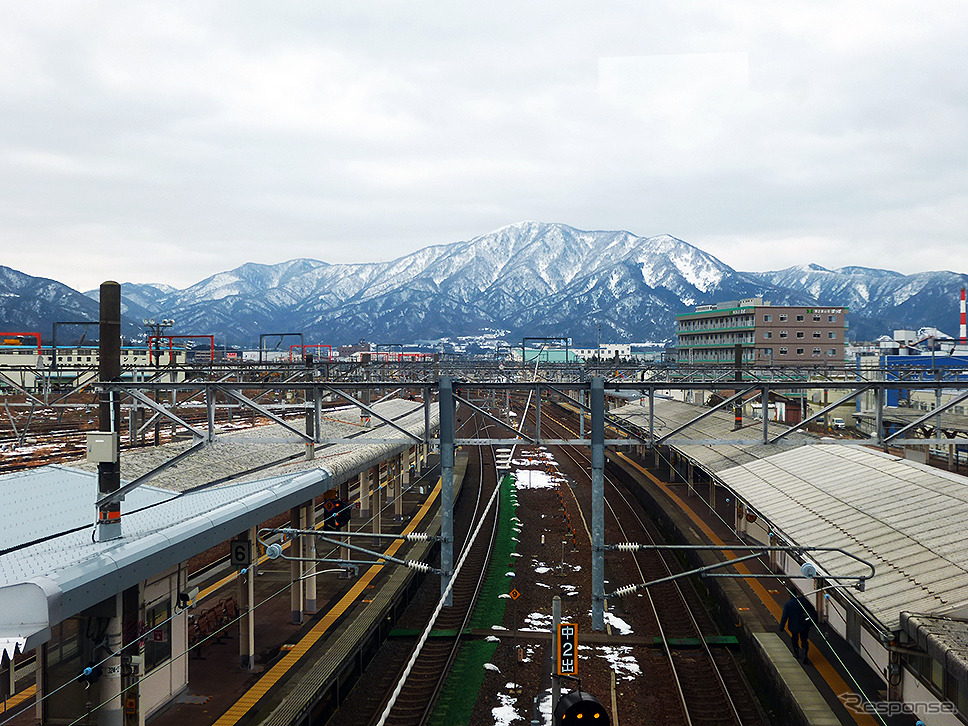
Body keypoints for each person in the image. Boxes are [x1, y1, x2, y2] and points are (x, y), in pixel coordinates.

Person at [780, 594, 817, 664]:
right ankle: (805, 655)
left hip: (793, 625)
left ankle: (796, 653)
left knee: (794, 639)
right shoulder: (804, 601)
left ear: (790, 594)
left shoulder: (788, 604)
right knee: (804, 640)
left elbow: (784, 616)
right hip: (804, 625)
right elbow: (812, 610)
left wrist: (781, 627)